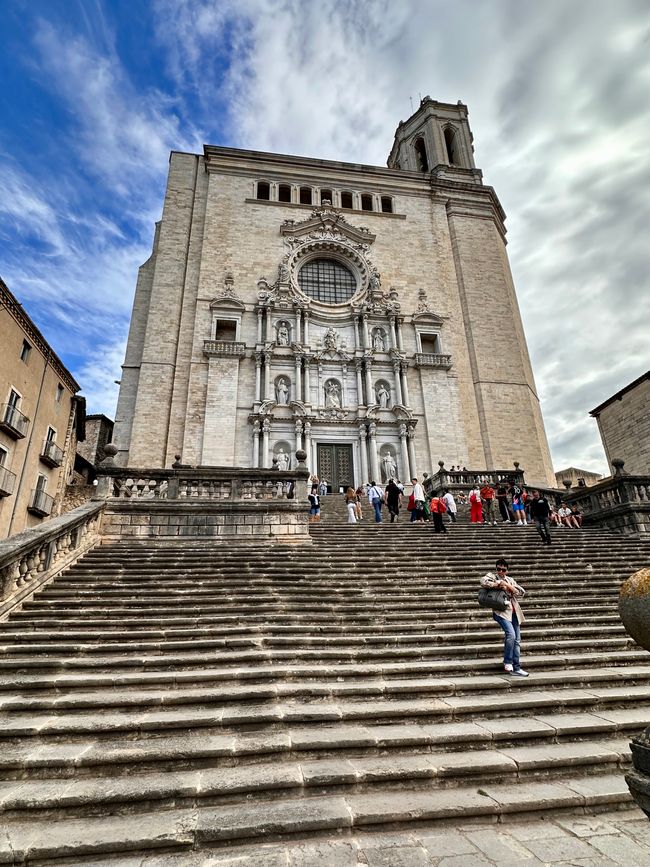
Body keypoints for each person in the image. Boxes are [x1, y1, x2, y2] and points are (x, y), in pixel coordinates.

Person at [480, 558, 528, 676]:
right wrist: (497, 585)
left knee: (517, 640)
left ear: (506, 570)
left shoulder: (510, 580)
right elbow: (483, 582)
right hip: (501, 612)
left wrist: (507, 585)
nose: (501, 572)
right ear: (496, 569)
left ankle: (516, 667)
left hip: (514, 612)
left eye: (503, 570)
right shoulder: (492, 576)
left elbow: (521, 592)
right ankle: (507, 662)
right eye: (499, 569)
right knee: (511, 635)